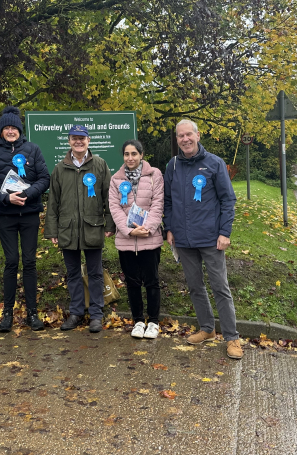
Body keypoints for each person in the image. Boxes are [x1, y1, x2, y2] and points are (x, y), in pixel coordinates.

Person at [163, 119, 243, 359]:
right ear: (176, 140)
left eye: (189, 135)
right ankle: (207, 329)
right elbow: (168, 200)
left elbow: (228, 200)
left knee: (220, 287)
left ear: (198, 136)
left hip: (211, 238)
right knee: (195, 286)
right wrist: (169, 228)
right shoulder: (173, 165)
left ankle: (232, 337)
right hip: (184, 239)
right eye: (180, 136)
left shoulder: (215, 164)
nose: (185, 139)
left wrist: (225, 232)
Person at [0, 106, 51, 332]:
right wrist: (5, 199)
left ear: (20, 130)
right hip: (6, 216)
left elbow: (44, 178)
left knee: (29, 262)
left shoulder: (33, 149)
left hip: (30, 214)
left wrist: (28, 194)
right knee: (11, 261)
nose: (10, 131)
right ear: (1, 131)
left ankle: (32, 313)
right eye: (6, 128)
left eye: (14, 128)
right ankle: (8, 313)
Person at [43, 124, 115, 333]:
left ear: (88, 141)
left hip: (93, 228)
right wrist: (52, 230)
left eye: (82, 138)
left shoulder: (100, 165)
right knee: (73, 273)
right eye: (74, 138)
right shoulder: (59, 168)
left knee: (95, 273)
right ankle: (76, 313)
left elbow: (109, 197)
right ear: (69, 141)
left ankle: (96, 315)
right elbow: (53, 201)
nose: (78, 141)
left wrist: (109, 224)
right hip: (68, 229)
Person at [109, 139, 164, 339]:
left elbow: (158, 204)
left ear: (141, 155)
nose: (130, 158)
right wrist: (129, 231)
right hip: (126, 240)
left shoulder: (154, 175)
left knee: (152, 281)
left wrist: (147, 228)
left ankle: (154, 322)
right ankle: (138, 321)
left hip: (150, 238)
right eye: (126, 154)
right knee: (132, 282)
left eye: (134, 154)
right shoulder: (115, 179)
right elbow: (114, 208)